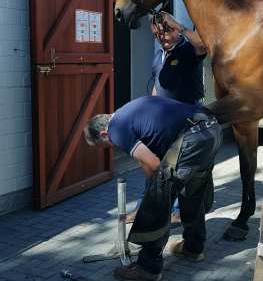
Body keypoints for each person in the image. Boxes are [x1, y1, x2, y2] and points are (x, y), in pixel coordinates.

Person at [84, 96, 221, 281]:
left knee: (157, 201)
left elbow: (154, 164)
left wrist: (155, 191)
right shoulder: (128, 112)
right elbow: (147, 158)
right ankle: (193, 248)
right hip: (210, 129)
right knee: (192, 194)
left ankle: (148, 268)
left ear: (102, 134)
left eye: (106, 146)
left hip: (191, 138)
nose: (112, 147)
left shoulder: (116, 129)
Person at [128, 11, 207, 225]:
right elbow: (158, 84)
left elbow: (203, 47)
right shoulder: (159, 55)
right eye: (156, 35)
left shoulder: (187, 48)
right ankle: (144, 208)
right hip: (161, 120)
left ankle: (178, 211)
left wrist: (180, 27)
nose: (161, 38)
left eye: (165, 33)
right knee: (151, 164)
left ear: (174, 30)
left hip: (186, 120)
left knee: (179, 167)